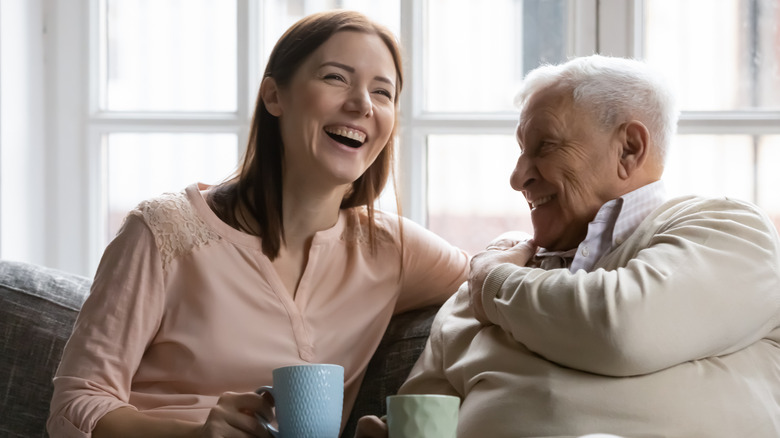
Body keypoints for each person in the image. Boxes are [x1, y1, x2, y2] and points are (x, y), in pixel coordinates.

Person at [47, 10, 469, 438]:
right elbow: (75, 405)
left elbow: (497, 277)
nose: (362, 103)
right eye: (335, 78)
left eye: (383, 92)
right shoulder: (162, 231)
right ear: (274, 97)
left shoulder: (390, 249)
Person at [356, 54, 780, 438]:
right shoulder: (489, 281)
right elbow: (424, 409)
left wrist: (493, 282)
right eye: (522, 151)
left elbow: (622, 329)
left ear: (630, 149)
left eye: (545, 146)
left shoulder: (729, 229)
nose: (518, 176)